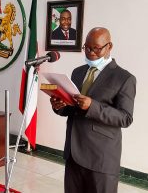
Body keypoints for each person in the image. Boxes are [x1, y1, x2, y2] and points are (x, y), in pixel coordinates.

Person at [50, 27, 136, 193]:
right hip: (73, 153)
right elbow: (73, 107)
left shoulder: (124, 78)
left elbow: (125, 118)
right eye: (86, 47)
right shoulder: (78, 72)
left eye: (96, 48)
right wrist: (59, 107)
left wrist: (93, 106)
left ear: (109, 46)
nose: (90, 52)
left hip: (101, 158)